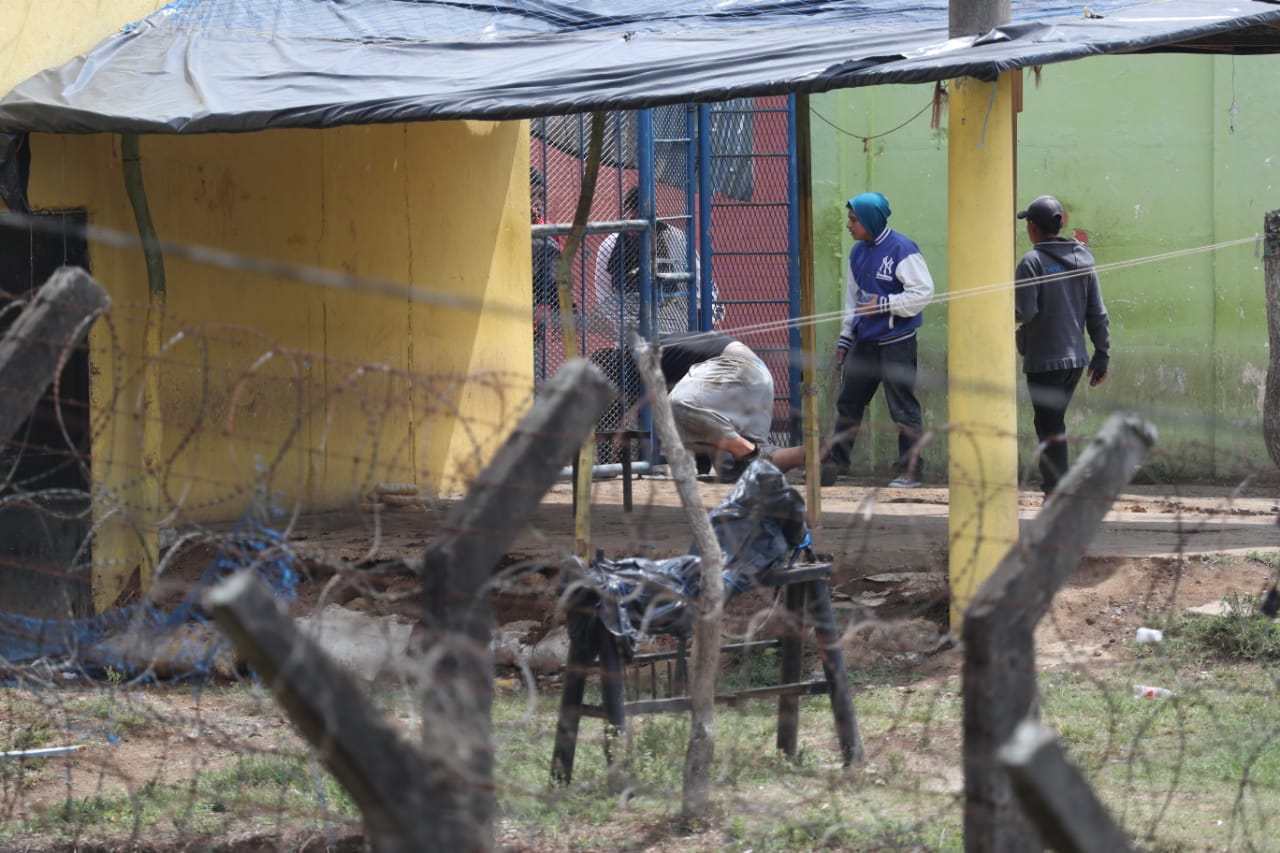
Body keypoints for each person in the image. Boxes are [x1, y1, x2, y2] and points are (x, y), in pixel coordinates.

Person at [823, 192, 934, 488]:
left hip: (897, 341)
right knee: (849, 402)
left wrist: (884, 304)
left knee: (902, 407)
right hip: (865, 340)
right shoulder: (857, 253)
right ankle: (838, 462)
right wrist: (846, 339)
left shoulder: (902, 249)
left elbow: (923, 293)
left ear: (870, 219)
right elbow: (853, 301)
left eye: (853, 219)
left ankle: (910, 470)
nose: (849, 225)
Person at [1014, 194, 1110, 497]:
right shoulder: (1083, 258)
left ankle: (1056, 492)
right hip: (1075, 361)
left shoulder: (1031, 262)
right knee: (1052, 424)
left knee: (1050, 429)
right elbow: (1097, 312)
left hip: (1045, 360)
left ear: (1032, 227)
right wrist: (1102, 354)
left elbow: (1025, 312)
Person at [654, 330, 805, 483]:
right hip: (758, 377)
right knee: (737, 470)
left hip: (733, 367)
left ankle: (748, 452)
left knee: (679, 405)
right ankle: (813, 454)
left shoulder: (637, 355)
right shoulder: (666, 343)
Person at [530, 168, 566, 382]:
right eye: (532, 196)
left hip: (534, 318)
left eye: (541, 196)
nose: (538, 202)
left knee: (534, 376)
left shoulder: (546, 230)